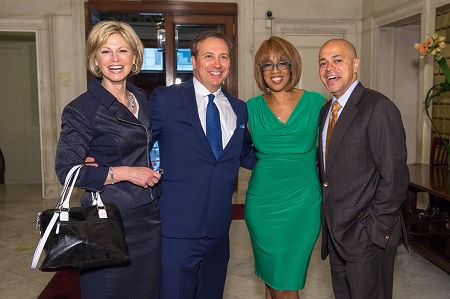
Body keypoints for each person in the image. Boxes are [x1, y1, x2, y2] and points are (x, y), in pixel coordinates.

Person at [55, 21, 162, 298]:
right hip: (107, 221)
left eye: (122, 51)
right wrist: (122, 172)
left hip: (148, 218)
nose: (115, 59)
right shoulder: (82, 109)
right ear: (95, 60)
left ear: (135, 58)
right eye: (106, 51)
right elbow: (67, 171)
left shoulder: (140, 97)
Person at [148, 30, 255, 299]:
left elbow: (244, 154)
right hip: (177, 229)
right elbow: (139, 143)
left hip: (219, 229)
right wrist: (106, 161)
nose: (217, 64)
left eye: (223, 57)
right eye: (208, 56)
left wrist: (292, 160)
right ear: (193, 61)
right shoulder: (166, 99)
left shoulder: (239, 108)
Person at [317, 38, 409, 299]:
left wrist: (372, 231)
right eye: (323, 63)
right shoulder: (327, 111)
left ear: (355, 64)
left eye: (338, 60)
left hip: (367, 236)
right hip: (337, 234)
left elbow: (395, 177)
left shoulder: (378, 107)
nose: (329, 68)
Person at [244, 36, 325, 299]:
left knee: (285, 281)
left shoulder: (316, 103)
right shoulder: (250, 108)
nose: (275, 70)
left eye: (282, 63)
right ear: (260, 71)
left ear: (294, 66)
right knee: (273, 279)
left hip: (303, 204)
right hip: (263, 205)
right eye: (267, 65)